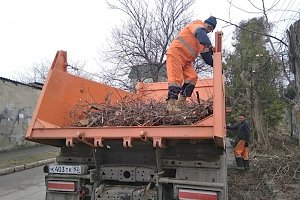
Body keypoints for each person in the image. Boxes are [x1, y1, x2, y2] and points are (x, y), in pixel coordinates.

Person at [165, 16, 217, 112]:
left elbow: (207, 58)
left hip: (186, 61)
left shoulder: (202, 41)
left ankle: (181, 102)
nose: (209, 30)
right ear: (204, 23)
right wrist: (210, 46)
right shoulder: (197, 25)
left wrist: (217, 66)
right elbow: (200, 33)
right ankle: (170, 104)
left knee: (192, 77)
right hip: (176, 54)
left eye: (211, 29)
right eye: (208, 27)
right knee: (176, 80)